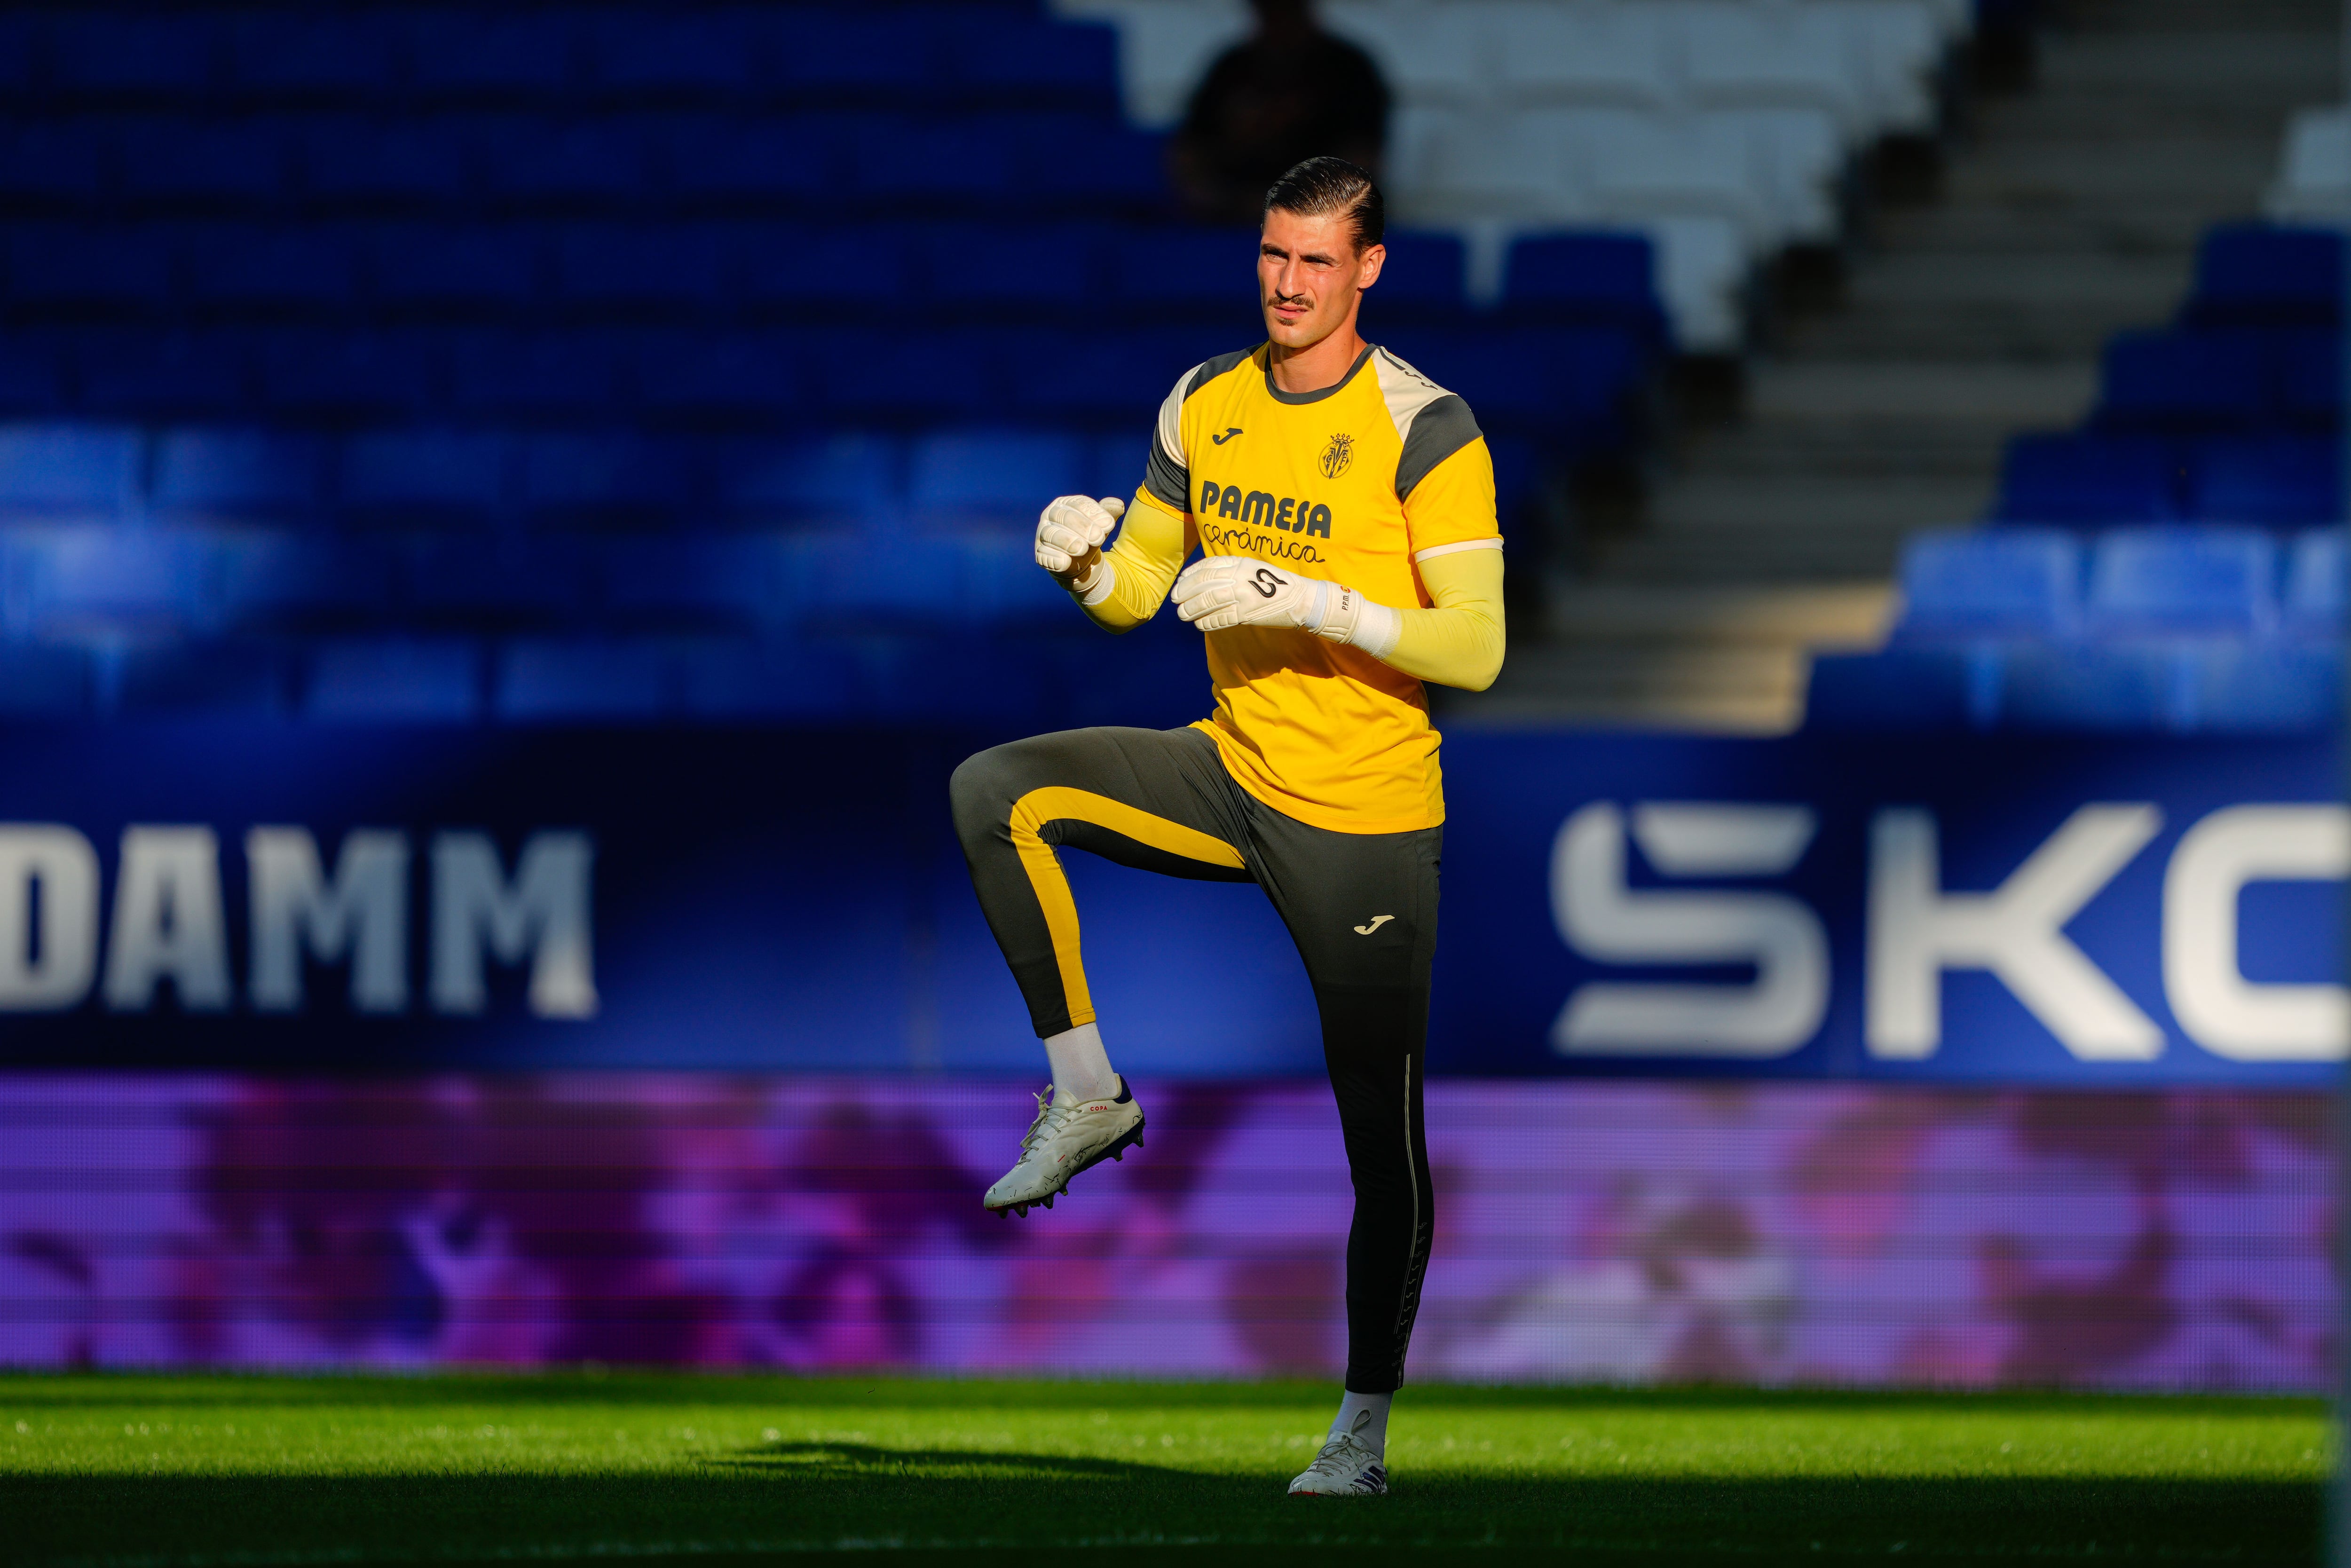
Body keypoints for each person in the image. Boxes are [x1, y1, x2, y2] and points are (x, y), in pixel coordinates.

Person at [948, 157, 1505, 1498]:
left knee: (1385, 1139)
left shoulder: (1427, 425)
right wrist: (1086, 557)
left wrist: (1322, 605)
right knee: (993, 788)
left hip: (1366, 819)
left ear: (1369, 268)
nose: (1288, 284)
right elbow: (1144, 589)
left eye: (1317, 262)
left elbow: (1476, 649)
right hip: (1231, 768)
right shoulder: (1205, 398)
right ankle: (1086, 1091)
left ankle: (1361, 1431)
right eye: (1272, 255)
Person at [1169, 0, 1390, 226]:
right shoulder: (1231, 68)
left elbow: (1362, 160)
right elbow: (1190, 151)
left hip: (1322, 224)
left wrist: (1291, 205)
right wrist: (1217, 198)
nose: (1279, 19)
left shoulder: (1350, 69)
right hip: (1227, 222)